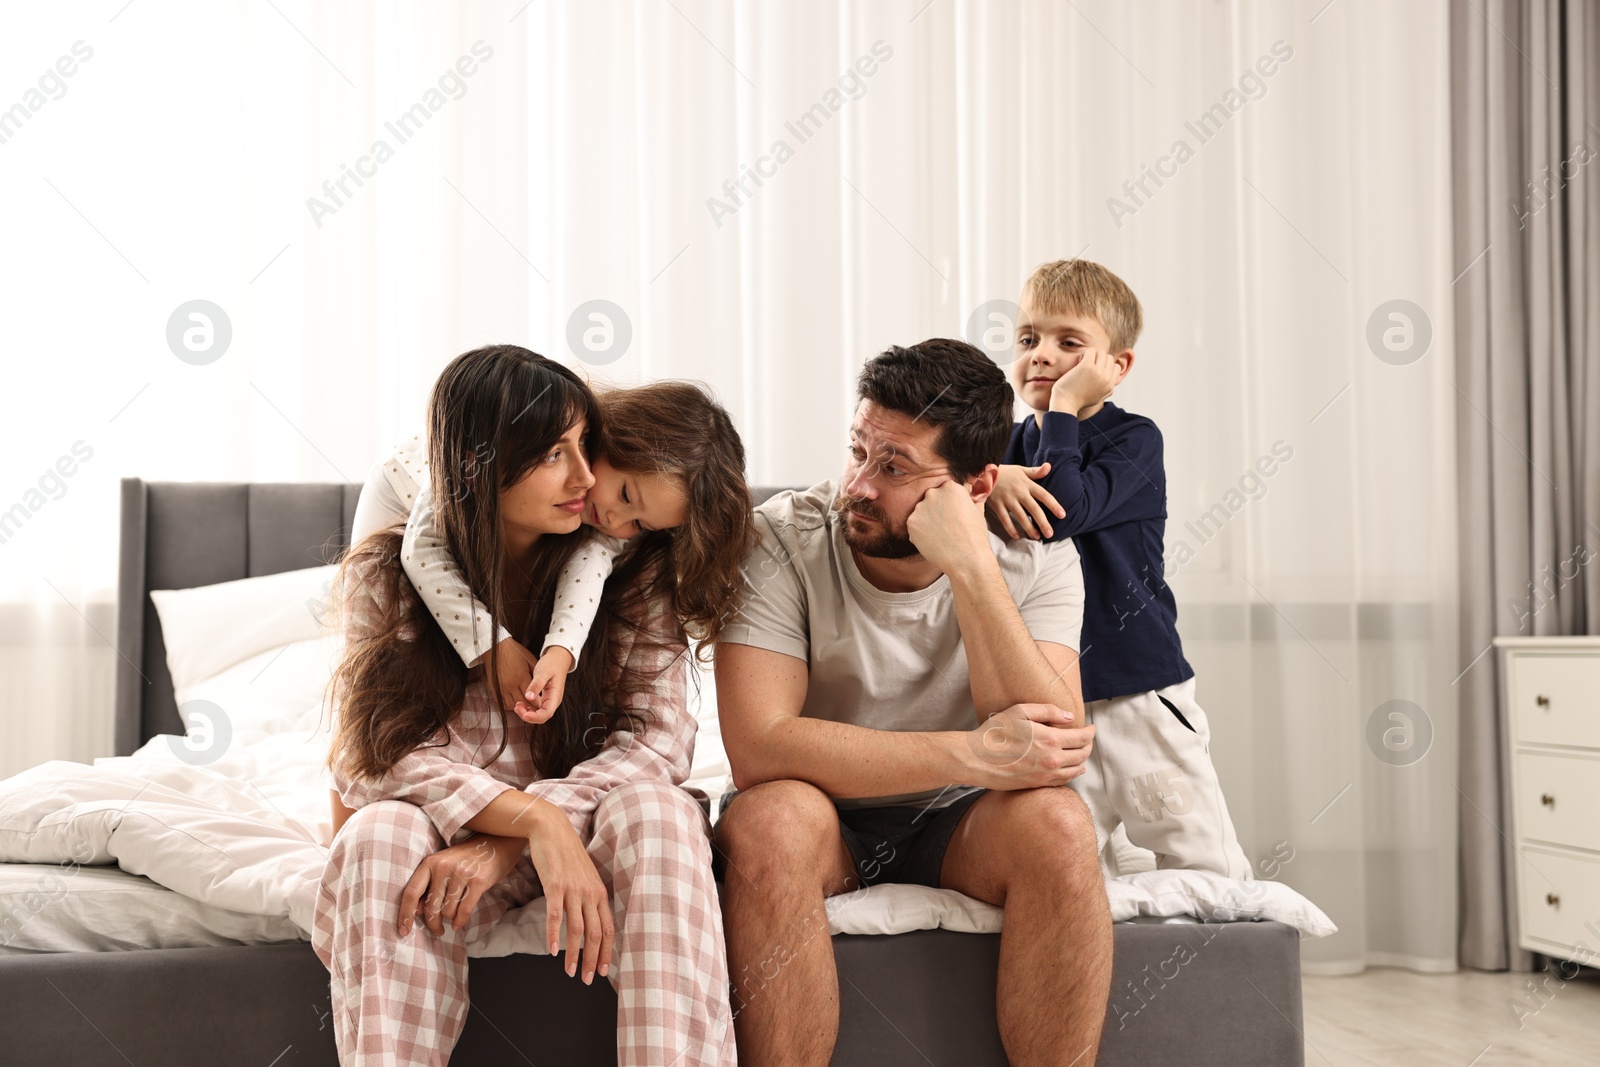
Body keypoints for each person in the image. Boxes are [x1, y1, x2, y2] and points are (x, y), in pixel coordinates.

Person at [317, 345, 740, 1067]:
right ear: (484, 465)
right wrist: (527, 819)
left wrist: (534, 828)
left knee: (662, 814)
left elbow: (661, 740)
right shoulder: (392, 568)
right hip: (449, 839)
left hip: (578, 832)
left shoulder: (629, 569)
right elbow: (369, 759)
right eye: (555, 454)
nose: (584, 479)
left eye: (585, 447)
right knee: (376, 835)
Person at [714, 338, 1113, 1067]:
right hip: (824, 815)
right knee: (766, 819)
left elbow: (1053, 748)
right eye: (859, 450)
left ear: (976, 486)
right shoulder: (780, 537)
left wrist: (971, 565)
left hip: (964, 822)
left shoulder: (1041, 555)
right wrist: (973, 752)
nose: (858, 485)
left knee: (1058, 824)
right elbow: (760, 746)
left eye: (894, 467)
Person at [987, 257, 1251, 878]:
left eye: (1068, 343)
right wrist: (994, 477)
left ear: (1117, 366)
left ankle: (1223, 963)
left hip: (1139, 685)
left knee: (1195, 848)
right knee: (1074, 862)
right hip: (1056, 696)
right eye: (1028, 339)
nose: (1041, 355)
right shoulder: (1008, 447)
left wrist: (1059, 413)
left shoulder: (1135, 440)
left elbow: (1062, 510)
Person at [350, 379, 753, 723]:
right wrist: (491, 645)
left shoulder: (603, 518)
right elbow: (423, 553)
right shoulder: (512, 452)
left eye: (640, 524)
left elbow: (591, 562)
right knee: (372, 638)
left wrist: (560, 653)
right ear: (614, 437)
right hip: (406, 490)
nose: (615, 521)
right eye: (626, 495)